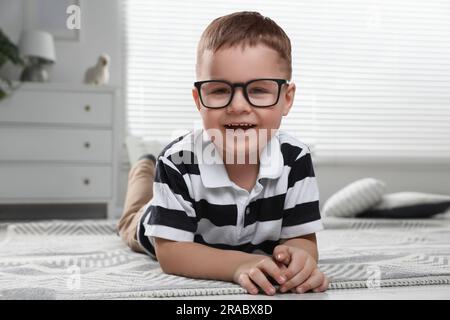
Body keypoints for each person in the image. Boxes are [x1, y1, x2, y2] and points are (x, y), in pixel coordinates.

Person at [118, 11, 328, 296]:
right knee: (133, 213)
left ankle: (144, 166)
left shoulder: (295, 159)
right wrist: (239, 264)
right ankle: (143, 166)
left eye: (258, 90)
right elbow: (171, 253)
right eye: (219, 90)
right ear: (199, 100)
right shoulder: (178, 162)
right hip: (149, 222)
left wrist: (300, 261)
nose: (238, 106)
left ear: (286, 99)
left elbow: (302, 239)